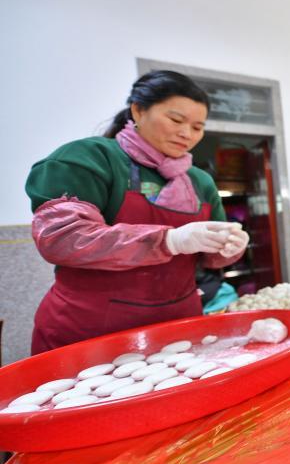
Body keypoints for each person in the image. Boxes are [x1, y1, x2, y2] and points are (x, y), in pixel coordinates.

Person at [26, 70, 249, 354]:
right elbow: (63, 238)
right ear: (138, 110)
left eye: (197, 127)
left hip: (179, 324)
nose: (186, 134)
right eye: (176, 120)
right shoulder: (88, 159)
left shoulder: (199, 181)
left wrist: (228, 247)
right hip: (91, 331)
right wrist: (169, 240)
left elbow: (209, 259)